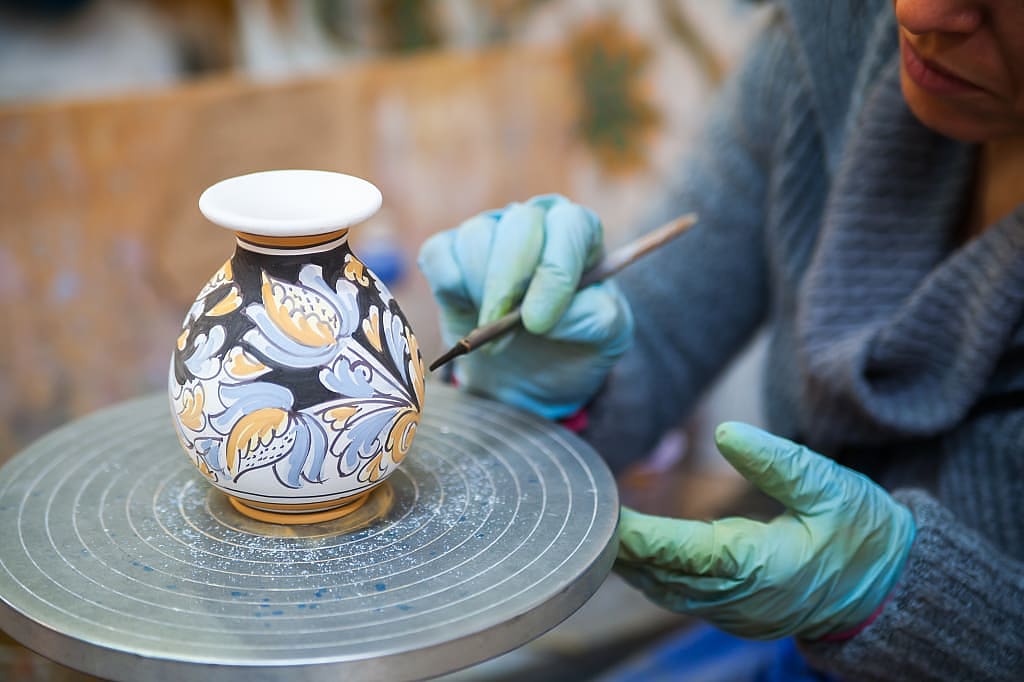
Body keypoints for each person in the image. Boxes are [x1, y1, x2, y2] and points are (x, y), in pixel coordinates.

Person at [417, 1, 1024, 680]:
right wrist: (556, 390)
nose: (922, 10)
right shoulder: (841, 40)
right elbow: (663, 328)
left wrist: (908, 598)